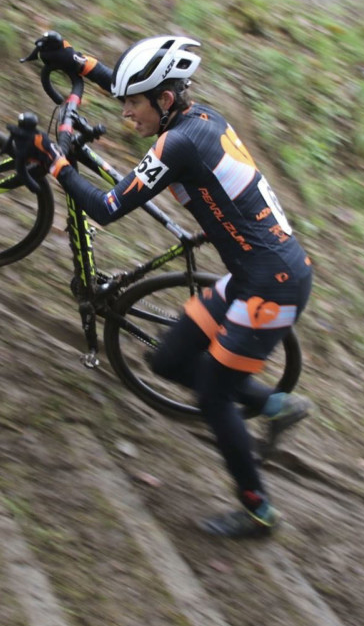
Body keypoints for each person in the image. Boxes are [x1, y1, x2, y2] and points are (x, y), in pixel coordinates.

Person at [19, 34, 314, 538]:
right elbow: (126, 86)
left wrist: (56, 164)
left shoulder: (177, 144)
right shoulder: (196, 118)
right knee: (168, 361)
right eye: (129, 102)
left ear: (165, 100)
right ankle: (272, 404)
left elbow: (108, 209)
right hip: (252, 274)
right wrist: (77, 60)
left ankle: (258, 509)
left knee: (215, 397)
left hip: (272, 285)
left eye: (135, 105)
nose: (127, 114)